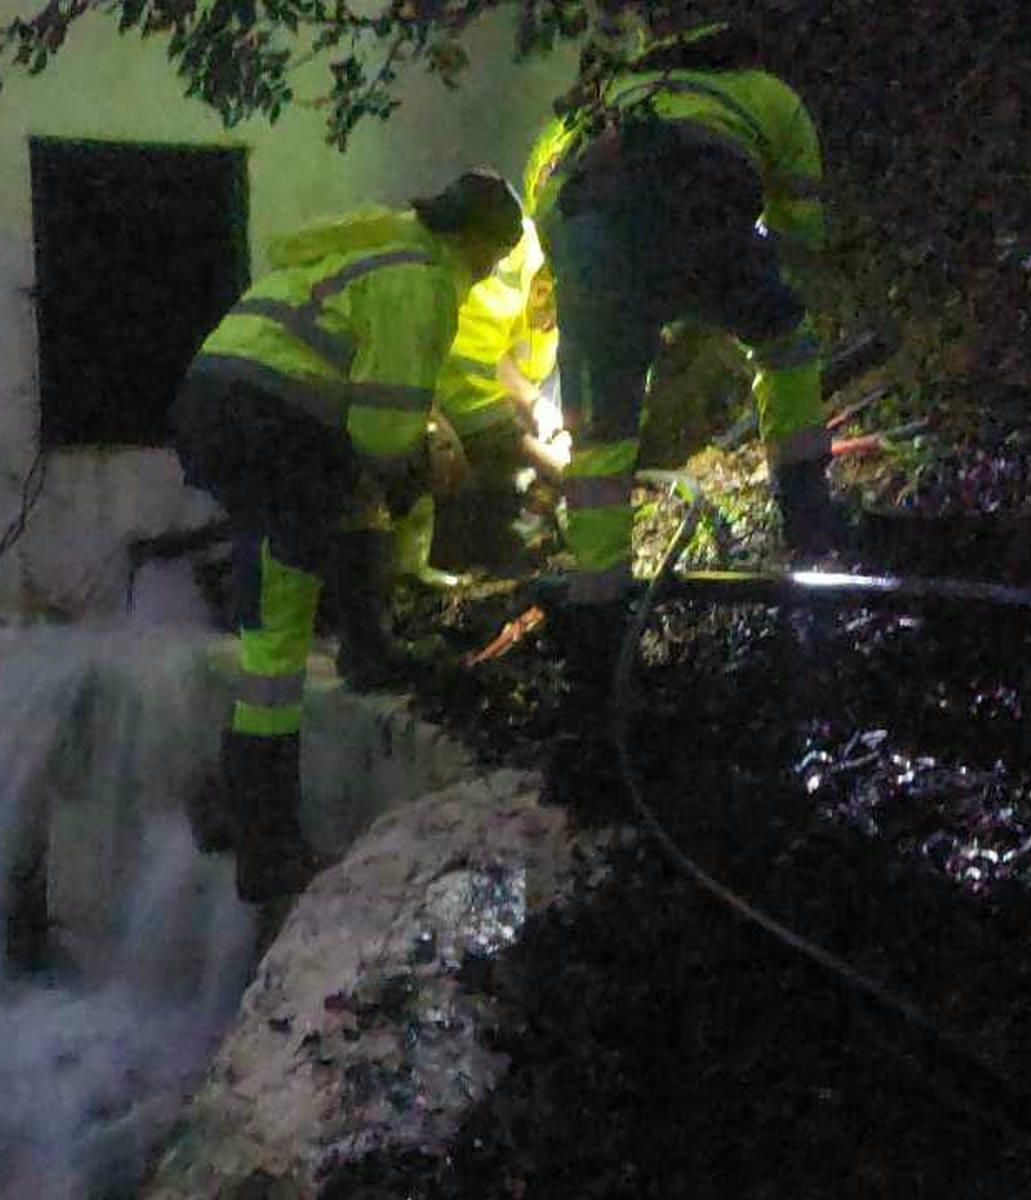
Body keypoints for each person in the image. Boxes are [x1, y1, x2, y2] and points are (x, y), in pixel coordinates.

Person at [171, 170, 525, 902]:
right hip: (272, 421)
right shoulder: (422, 279)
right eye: (496, 257)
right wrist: (432, 463)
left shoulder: (377, 244)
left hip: (224, 405)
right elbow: (384, 432)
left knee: (290, 581)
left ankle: (243, 792)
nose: (494, 272)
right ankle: (266, 844)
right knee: (286, 614)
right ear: (479, 242)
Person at [528, 18, 840, 681]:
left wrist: (609, 310)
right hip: (699, 214)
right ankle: (810, 521)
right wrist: (741, 291)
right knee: (785, 346)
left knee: (601, 440)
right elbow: (801, 236)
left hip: (587, 241)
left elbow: (550, 209)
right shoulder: (768, 95)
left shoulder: (602, 101)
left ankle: (598, 622)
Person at [393, 218, 565, 583]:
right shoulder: (506, 257)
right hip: (452, 422)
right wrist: (543, 455)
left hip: (498, 420)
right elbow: (471, 375)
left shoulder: (573, 267)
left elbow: (504, 354)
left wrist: (537, 404)